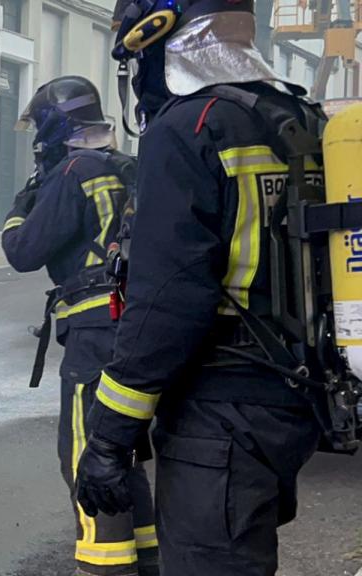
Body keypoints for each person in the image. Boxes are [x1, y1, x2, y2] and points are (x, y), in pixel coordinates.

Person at [75, 1, 327, 574]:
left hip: (219, 412)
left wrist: (110, 438)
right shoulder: (295, 114)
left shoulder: (190, 126)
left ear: (158, 37)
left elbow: (167, 302)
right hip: (290, 395)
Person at [1, 77, 157, 576]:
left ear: (54, 126)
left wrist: (21, 207)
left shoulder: (73, 172)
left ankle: (101, 566)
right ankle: (147, 558)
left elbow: (23, 252)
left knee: (85, 452)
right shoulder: (128, 167)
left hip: (93, 333)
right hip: (134, 325)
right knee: (119, 450)